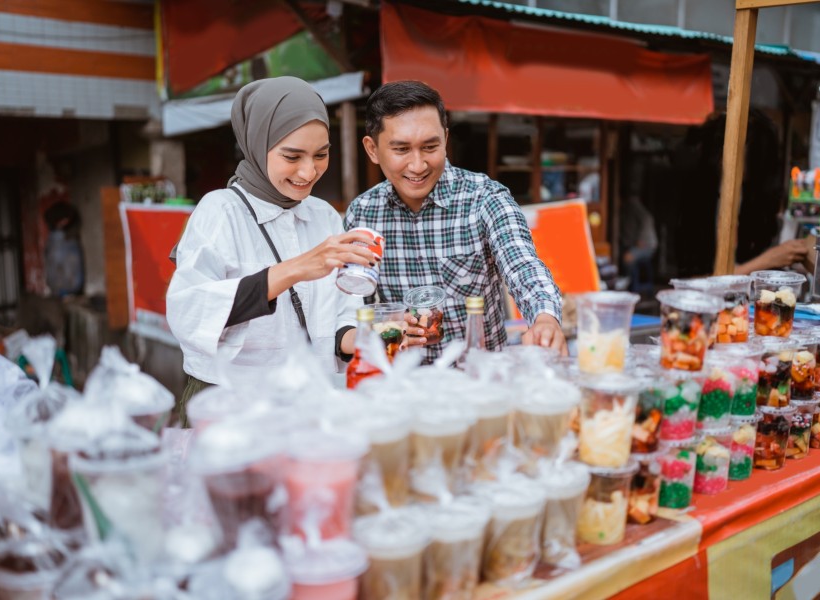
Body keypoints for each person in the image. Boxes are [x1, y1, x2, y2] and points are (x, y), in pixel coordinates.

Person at [166, 77, 376, 424]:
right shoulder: (220, 211)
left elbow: (341, 314)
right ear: (256, 143)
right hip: (229, 408)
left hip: (305, 404)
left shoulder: (323, 215)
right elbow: (190, 312)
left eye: (321, 155)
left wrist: (370, 337)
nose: (309, 172)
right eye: (292, 156)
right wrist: (296, 269)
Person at [344, 80, 566, 361]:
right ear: (372, 149)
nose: (417, 165)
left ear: (445, 140)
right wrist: (385, 330)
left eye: (429, 147)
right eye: (401, 149)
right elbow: (352, 306)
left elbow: (523, 266)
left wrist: (545, 318)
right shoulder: (362, 213)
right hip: (401, 386)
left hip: (478, 382)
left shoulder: (485, 198)